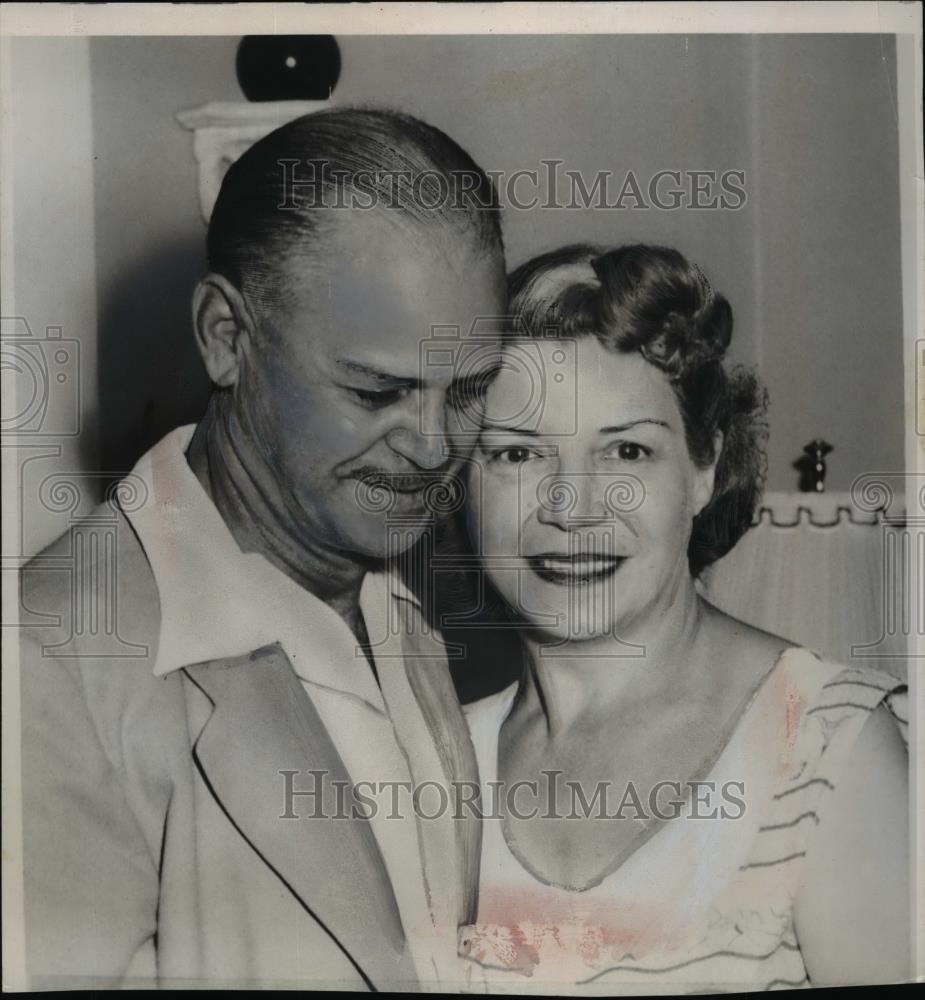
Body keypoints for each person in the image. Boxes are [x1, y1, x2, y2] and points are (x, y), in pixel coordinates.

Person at [18, 107, 507, 990]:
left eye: (468, 389)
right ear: (226, 337)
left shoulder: (387, 591)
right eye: (376, 390)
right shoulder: (48, 662)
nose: (434, 447)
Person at [452, 244, 909, 991]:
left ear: (702, 468)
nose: (573, 509)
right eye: (516, 456)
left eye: (626, 451)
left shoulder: (829, 748)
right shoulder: (434, 761)